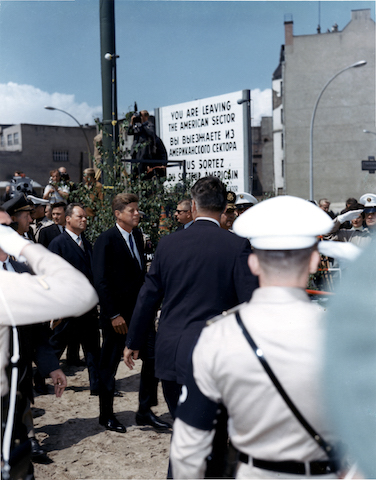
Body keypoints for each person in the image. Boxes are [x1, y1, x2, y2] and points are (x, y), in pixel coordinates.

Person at [170, 195, 340, 479]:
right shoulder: (342, 338)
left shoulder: (218, 336)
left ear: (253, 264)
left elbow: (188, 449)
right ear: (313, 262)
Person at [124, 176, 258, 477]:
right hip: (217, 356)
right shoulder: (237, 246)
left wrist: (132, 341)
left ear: (193, 207)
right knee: (214, 435)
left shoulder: (169, 243)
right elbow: (251, 306)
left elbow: (148, 297)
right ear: (224, 208)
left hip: (171, 351)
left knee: (184, 429)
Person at [0, 209, 98, 480]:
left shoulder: (18, 271)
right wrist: (28, 248)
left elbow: (38, 330)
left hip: (16, 383)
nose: (11, 233)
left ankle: (29, 438)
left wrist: (51, 366)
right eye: (4, 228)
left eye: (10, 228)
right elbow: (79, 292)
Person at [93, 193, 170, 433]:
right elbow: (101, 281)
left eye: (137, 210)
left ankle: (145, 411)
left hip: (140, 315)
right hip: (118, 319)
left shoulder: (137, 236)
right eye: (132, 210)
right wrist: (114, 314)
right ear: (118, 214)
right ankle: (106, 415)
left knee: (152, 359)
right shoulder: (105, 240)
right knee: (109, 366)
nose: (137, 214)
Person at [48, 203, 101, 395]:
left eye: (85, 217)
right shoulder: (58, 243)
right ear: (68, 219)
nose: (84, 219)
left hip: (87, 307)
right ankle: (38, 380)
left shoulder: (86, 243)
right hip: (68, 308)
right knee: (56, 346)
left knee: (93, 349)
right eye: (80, 216)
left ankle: (97, 386)